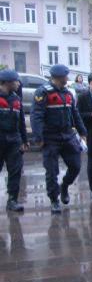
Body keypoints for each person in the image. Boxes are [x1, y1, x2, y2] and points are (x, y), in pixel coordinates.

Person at [31, 64, 87, 214]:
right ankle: (54, 200)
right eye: (65, 76)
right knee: (51, 171)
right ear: (57, 77)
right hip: (50, 138)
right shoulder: (43, 93)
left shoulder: (68, 93)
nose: (67, 78)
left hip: (67, 135)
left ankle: (65, 186)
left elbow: (75, 114)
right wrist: (38, 137)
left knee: (75, 166)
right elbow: (37, 116)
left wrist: (82, 132)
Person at [0, 69, 29, 212]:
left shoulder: (16, 99)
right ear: (6, 83)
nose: (18, 84)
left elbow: (21, 122)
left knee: (15, 171)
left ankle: (12, 200)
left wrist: (24, 140)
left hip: (14, 140)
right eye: (16, 81)